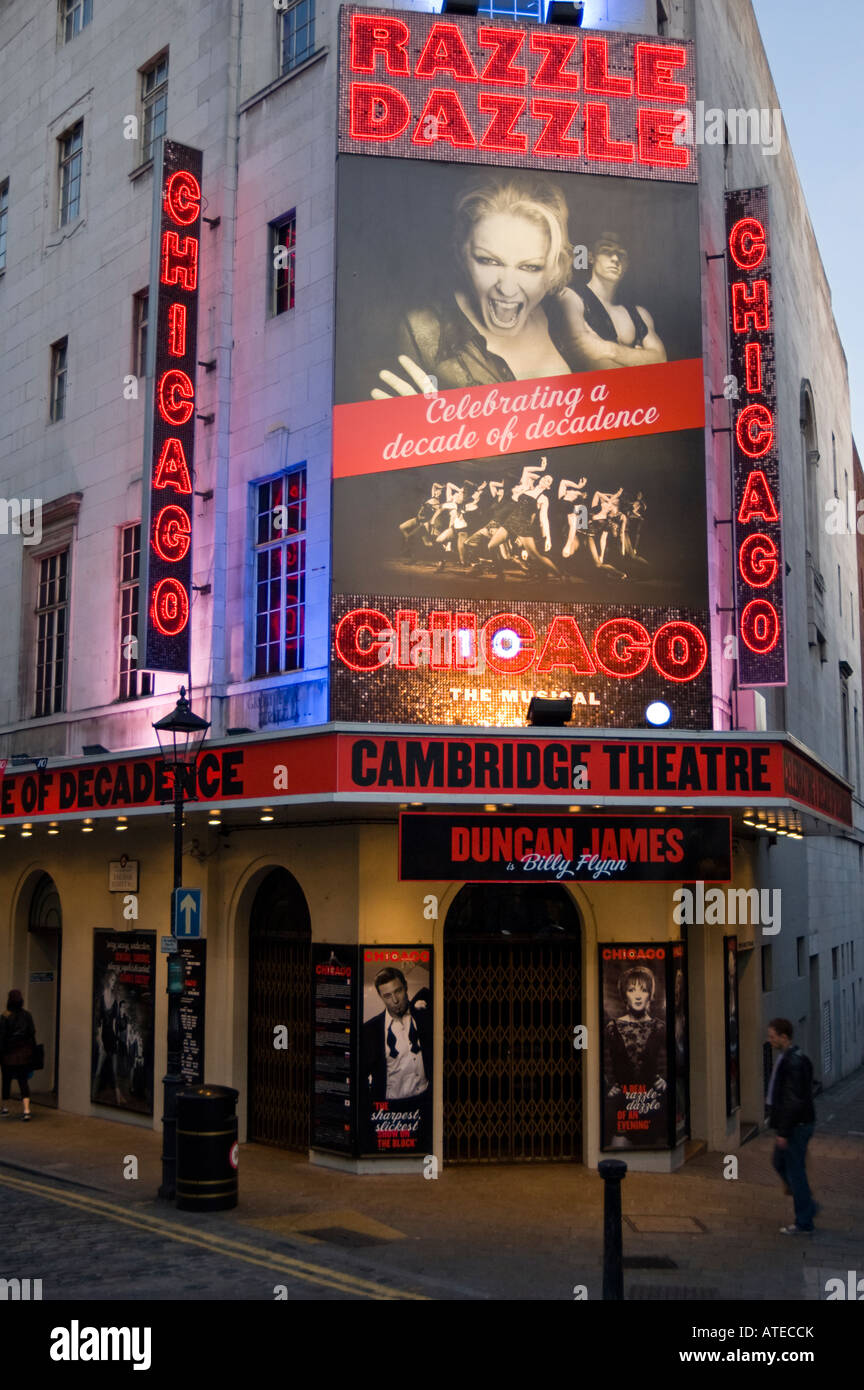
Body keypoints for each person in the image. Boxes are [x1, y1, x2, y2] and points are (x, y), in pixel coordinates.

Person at [371, 174, 583, 397]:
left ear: (554, 269)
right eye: (489, 260)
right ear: (462, 254)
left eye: (530, 267)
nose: (508, 289)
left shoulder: (565, 311)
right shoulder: (421, 331)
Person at [558, 232, 667, 371]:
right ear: (591, 257)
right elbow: (584, 359)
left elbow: (660, 358)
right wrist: (639, 358)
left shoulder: (639, 313)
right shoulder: (570, 298)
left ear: (626, 263)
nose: (615, 258)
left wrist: (608, 349)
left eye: (621, 254)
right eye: (606, 251)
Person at [766, 1018, 818, 1234]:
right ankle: (807, 1204)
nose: (770, 1040)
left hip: (796, 1126)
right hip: (796, 1123)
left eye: (772, 1036)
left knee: (795, 1172)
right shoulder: (792, 1058)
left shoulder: (793, 1062)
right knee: (780, 1162)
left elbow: (793, 1099)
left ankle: (804, 1221)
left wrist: (784, 1131)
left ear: (784, 1037)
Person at [361, 967, 432, 1102]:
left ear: (405, 987)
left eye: (398, 991)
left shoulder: (424, 1015)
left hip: (425, 1100)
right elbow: (361, 1077)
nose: (395, 1000)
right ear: (381, 997)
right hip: (391, 1108)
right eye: (387, 996)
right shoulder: (370, 1030)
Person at [0, 988, 37, 1120]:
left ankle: (5, 1108)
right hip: (24, 1054)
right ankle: (26, 1110)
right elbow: (32, 1033)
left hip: (8, 1056)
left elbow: (2, 1037)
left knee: (6, 1081)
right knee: (23, 1082)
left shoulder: (5, 1016)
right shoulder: (27, 1015)